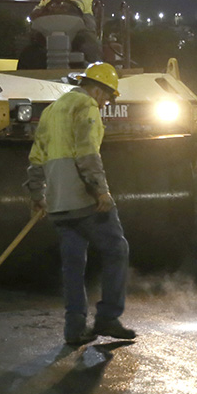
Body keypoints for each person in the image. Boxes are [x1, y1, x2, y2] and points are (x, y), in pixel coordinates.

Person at [25, 62, 136, 345]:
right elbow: (87, 153)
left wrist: (37, 196)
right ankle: (108, 317)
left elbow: (36, 157)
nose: (107, 102)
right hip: (83, 199)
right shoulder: (86, 106)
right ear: (98, 90)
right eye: (109, 96)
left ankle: (74, 329)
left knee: (73, 265)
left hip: (59, 204)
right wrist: (101, 192)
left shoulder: (51, 111)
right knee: (117, 249)